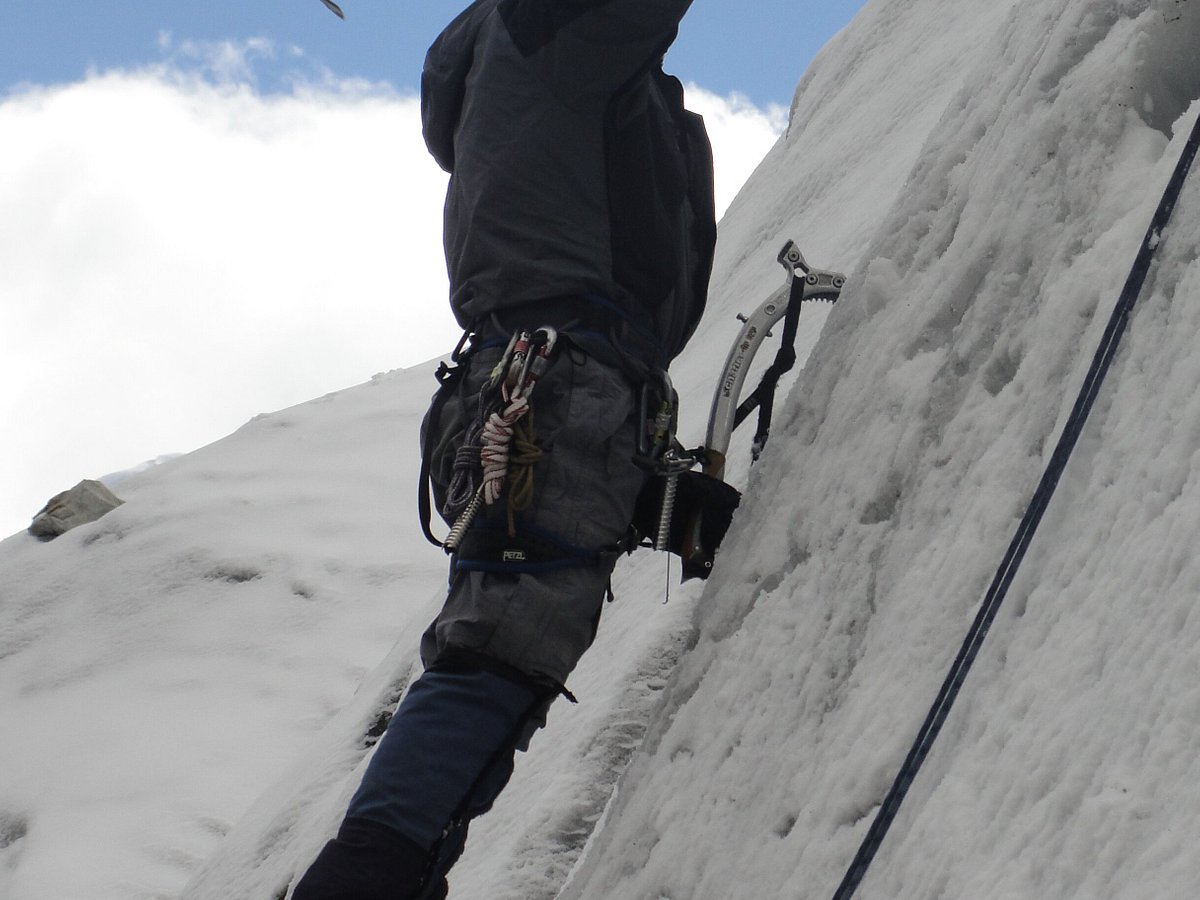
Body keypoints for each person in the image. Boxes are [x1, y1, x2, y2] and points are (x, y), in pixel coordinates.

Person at [292, 0, 715, 897]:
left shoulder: (507, 55)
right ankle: (367, 878)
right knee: (503, 643)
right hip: (563, 380)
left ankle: (382, 871)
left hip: (537, 380)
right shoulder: (550, 26)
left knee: (505, 631)